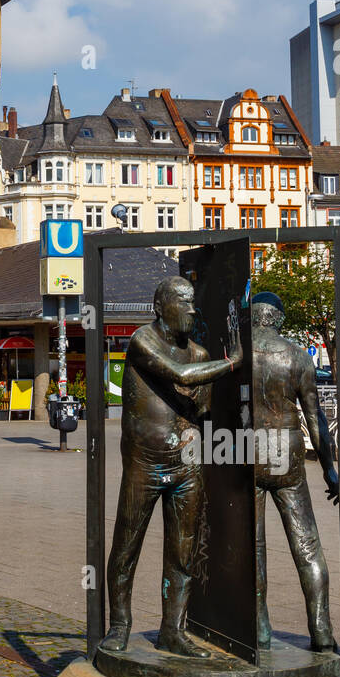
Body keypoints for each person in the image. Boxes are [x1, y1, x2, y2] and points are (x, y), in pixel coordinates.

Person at [102, 275, 243, 657]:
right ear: (161, 306)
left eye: (193, 302)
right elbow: (179, 377)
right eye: (184, 302)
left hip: (185, 466)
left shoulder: (198, 354)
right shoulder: (142, 341)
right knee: (127, 546)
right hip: (144, 466)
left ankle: (172, 630)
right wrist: (231, 364)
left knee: (183, 551)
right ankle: (119, 625)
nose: (192, 310)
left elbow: (202, 407)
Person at [251, 292, 338, 653]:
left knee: (253, 547)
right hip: (286, 451)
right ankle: (320, 630)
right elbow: (315, 418)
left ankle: (259, 629)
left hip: (245, 449)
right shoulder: (298, 356)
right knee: (307, 545)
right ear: (278, 319)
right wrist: (330, 469)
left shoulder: (238, 355)